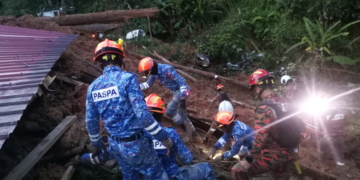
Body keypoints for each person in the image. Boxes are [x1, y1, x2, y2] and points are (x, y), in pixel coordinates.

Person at [86, 39, 173, 180]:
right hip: (136, 145)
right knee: (157, 175)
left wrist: (97, 145)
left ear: (100, 62)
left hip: (115, 145)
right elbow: (143, 116)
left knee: (129, 177)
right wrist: (163, 139)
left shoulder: (93, 87)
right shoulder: (128, 79)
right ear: (121, 58)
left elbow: (91, 122)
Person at [81, 93, 216, 180]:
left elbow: (106, 155)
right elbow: (187, 159)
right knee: (206, 168)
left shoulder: (133, 136)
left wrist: (83, 159)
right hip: (173, 176)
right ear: (161, 114)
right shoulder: (170, 134)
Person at [231, 69, 299, 180]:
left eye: (254, 90)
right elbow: (297, 126)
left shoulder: (264, 108)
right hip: (290, 151)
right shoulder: (285, 101)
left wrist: (248, 160)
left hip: (275, 154)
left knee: (238, 171)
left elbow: (260, 137)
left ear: (258, 89)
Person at [138, 57, 201, 142]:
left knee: (170, 110)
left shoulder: (166, 69)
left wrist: (182, 96)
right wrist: (136, 87)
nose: (145, 74)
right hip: (176, 92)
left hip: (183, 90)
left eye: (145, 72)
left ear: (151, 68)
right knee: (181, 114)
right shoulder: (154, 73)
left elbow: (181, 81)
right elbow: (148, 84)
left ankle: (185, 129)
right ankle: (193, 133)